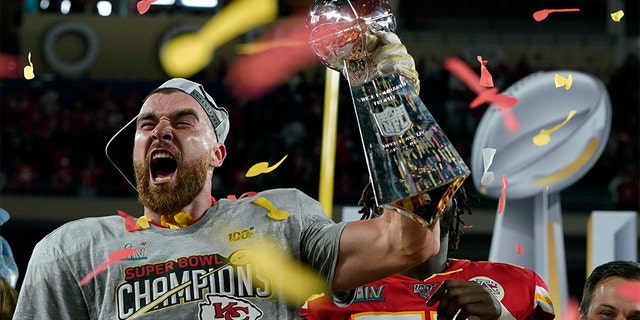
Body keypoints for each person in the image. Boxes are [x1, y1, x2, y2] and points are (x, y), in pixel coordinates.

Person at [12, 32, 445, 319]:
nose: (160, 130)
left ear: (218, 153)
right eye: (147, 125)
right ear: (136, 153)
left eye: (183, 122)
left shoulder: (279, 218)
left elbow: (410, 240)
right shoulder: (72, 250)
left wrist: (396, 109)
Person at [301, 185, 556, 320]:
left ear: (455, 205)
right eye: (401, 190)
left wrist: (502, 317)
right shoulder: (331, 295)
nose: (420, 199)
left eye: (435, 189)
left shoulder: (518, 285)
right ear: (378, 209)